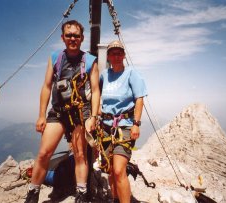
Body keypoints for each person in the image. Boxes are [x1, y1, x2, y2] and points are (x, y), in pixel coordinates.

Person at [24, 20, 100, 203]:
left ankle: (81, 193)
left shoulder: (90, 61)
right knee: (44, 153)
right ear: (63, 38)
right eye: (69, 35)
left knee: (80, 154)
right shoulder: (55, 58)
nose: (72, 38)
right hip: (58, 112)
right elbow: (47, 86)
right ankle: (33, 193)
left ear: (82, 38)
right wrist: (41, 115)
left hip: (81, 113)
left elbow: (96, 90)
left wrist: (94, 117)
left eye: (76, 35)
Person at [99, 40, 147, 203]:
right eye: (113, 53)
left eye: (119, 53)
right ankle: (114, 199)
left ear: (124, 55)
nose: (117, 56)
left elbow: (139, 99)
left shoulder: (131, 73)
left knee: (119, 170)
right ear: (109, 56)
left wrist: (136, 124)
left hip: (125, 126)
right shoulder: (105, 75)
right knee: (111, 169)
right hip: (105, 127)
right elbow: (98, 95)